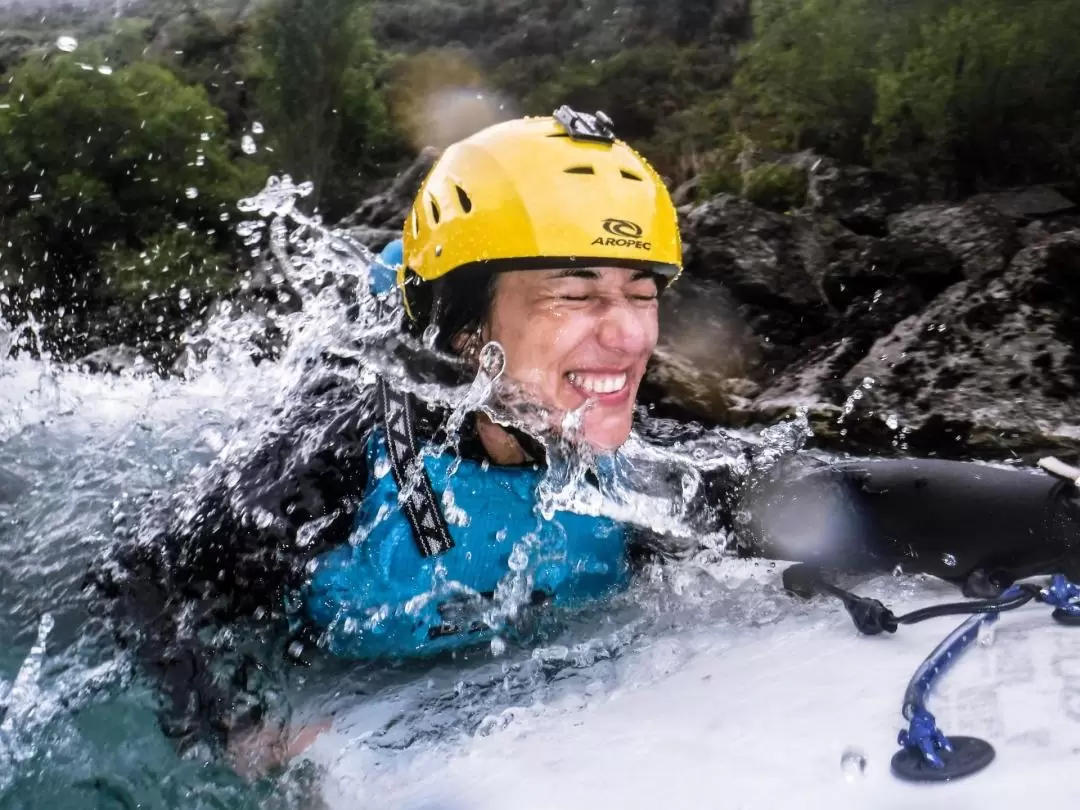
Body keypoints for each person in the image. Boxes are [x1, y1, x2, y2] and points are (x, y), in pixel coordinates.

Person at [96, 106, 1080, 773]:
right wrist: (225, 729)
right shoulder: (336, 453)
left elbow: (837, 500)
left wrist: (1056, 512)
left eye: (642, 295)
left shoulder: (634, 470)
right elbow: (140, 577)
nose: (629, 337)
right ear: (468, 329)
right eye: (576, 297)